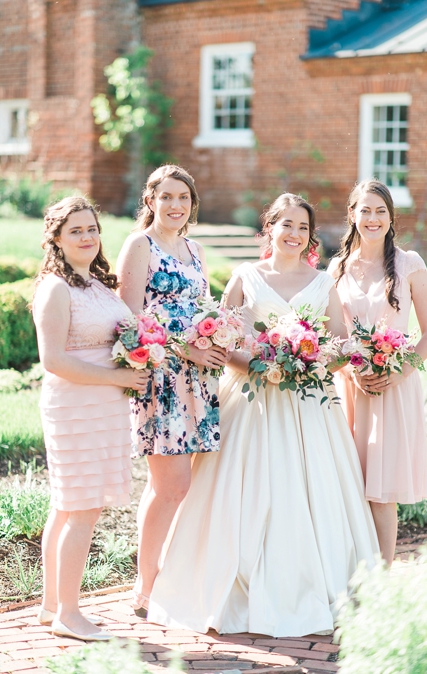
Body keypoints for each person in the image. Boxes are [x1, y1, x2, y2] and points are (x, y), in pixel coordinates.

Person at [147, 194, 379, 637]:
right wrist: (259, 363)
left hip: (309, 404)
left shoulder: (323, 281)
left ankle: (318, 583)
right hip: (251, 398)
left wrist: (308, 363)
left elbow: (342, 345)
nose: (294, 233)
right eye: (286, 224)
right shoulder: (245, 276)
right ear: (269, 227)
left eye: (303, 227)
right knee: (241, 490)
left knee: (311, 490)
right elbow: (221, 338)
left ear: (311, 236)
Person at [33, 197, 149, 641]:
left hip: (103, 406)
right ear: (57, 239)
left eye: (92, 228)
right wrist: (114, 375)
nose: (87, 237)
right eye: (75, 230)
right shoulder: (55, 288)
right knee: (82, 506)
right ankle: (69, 613)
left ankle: (49, 606)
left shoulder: (97, 285)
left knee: (67, 507)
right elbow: (54, 360)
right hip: (75, 406)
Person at [116, 165, 225, 617]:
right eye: (166, 197)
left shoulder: (195, 250)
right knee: (169, 487)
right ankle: (144, 585)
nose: (175, 205)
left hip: (200, 382)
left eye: (183, 197)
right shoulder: (139, 246)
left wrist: (219, 337)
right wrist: (188, 349)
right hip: (161, 379)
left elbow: (203, 308)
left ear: (192, 203)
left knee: (184, 487)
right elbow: (128, 322)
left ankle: (168, 578)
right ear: (150, 200)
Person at [329, 179, 427, 565]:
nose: (372, 218)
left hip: (394, 387)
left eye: (380, 210)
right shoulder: (337, 268)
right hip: (348, 387)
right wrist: (351, 366)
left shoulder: (410, 264)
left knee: (381, 491)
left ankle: (383, 579)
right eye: (365, 210)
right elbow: (331, 334)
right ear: (352, 215)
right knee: (349, 485)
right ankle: (349, 573)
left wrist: (399, 372)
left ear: (391, 217)